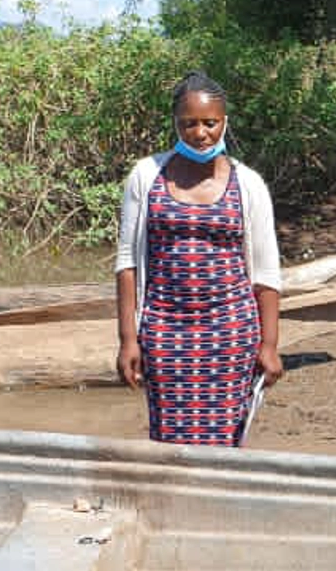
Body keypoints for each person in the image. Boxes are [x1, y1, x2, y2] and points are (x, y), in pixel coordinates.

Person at [114, 72, 284, 446]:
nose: (201, 132)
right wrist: (129, 339)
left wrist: (268, 346)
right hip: (163, 332)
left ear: (225, 121)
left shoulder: (248, 183)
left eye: (211, 122)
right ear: (175, 123)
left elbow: (267, 272)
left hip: (231, 333)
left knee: (226, 442)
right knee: (168, 441)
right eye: (189, 123)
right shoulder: (146, 175)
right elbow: (127, 262)